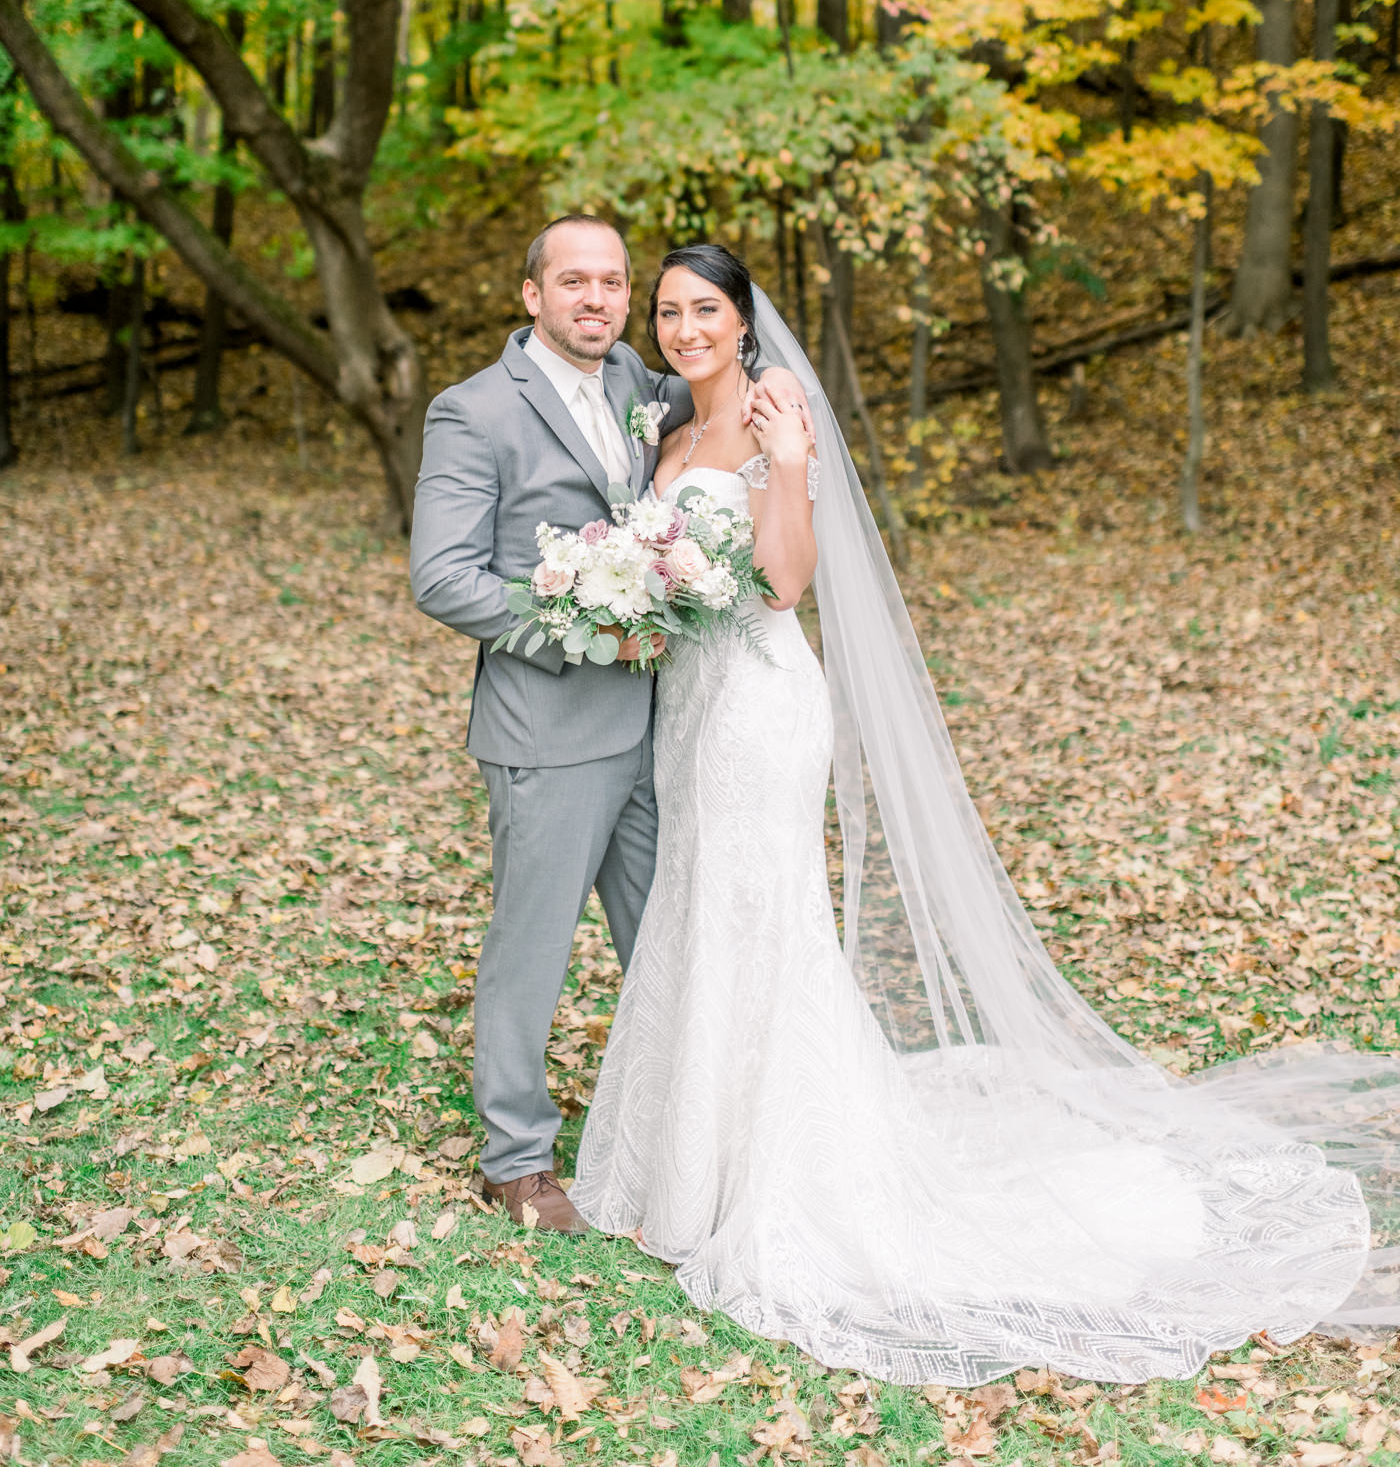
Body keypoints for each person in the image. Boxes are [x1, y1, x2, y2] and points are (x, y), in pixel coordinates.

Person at [571, 240, 1400, 1384]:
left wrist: (792, 466)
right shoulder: (668, 437)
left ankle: (767, 1169)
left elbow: (783, 584)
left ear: (743, 319)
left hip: (760, 704)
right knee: (699, 906)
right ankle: (685, 1160)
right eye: (665, 312)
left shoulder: (774, 414)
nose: (680, 328)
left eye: (701, 308)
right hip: (686, 709)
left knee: (762, 916)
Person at [408, 216, 809, 1233]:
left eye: (613, 283)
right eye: (572, 281)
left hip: (670, 724)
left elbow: (712, 403)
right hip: (546, 727)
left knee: (675, 937)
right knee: (529, 951)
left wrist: (783, 428)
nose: (596, 299)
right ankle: (518, 1159)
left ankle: (694, 1136)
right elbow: (442, 576)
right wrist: (582, 623)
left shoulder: (641, 385)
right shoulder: (472, 412)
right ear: (531, 294)